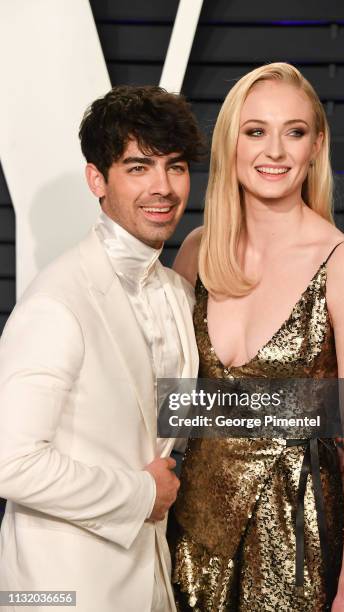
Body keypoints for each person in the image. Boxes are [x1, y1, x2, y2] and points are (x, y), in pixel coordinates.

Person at [170, 63, 344, 611]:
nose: (276, 151)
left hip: (295, 544)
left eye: (294, 131)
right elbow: (169, 405)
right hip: (187, 536)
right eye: (256, 131)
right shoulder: (197, 253)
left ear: (316, 145)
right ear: (231, 144)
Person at [0, 85, 205, 612]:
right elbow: (10, 462)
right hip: (59, 591)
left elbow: (173, 421)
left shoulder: (180, 293)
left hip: (154, 578)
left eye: (175, 167)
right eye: (139, 167)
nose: (162, 187)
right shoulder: (58, 300)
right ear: (98, 178)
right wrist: (140, 495)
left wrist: (332, 417)